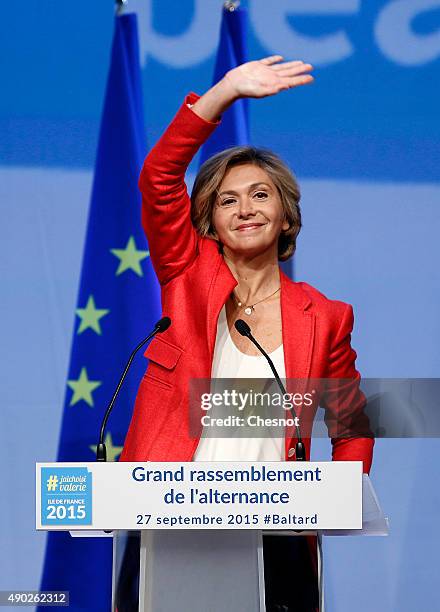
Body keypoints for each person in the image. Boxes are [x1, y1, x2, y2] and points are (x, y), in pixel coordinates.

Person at [120, 56, 374, 611]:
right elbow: (158, 178)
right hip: (168, 514)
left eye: (260, 195)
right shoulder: (186, 274)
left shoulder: (325, 315)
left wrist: (334, 494)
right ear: (208, 220)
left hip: (276, 530)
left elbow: (352, 423)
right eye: (226, 200)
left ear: (286, 216)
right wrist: (225, 92)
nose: (244, 209)